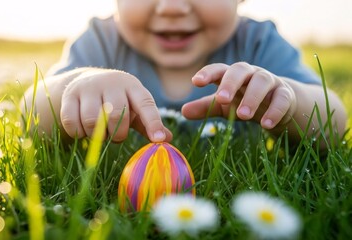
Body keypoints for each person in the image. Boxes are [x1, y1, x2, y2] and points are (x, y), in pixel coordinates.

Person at [22, 0, 347, 148]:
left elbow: (333, 121)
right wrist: (76, 86)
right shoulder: (101, 41)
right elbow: (30, 114)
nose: (172, 6)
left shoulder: (258, 42)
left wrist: (288, 102)